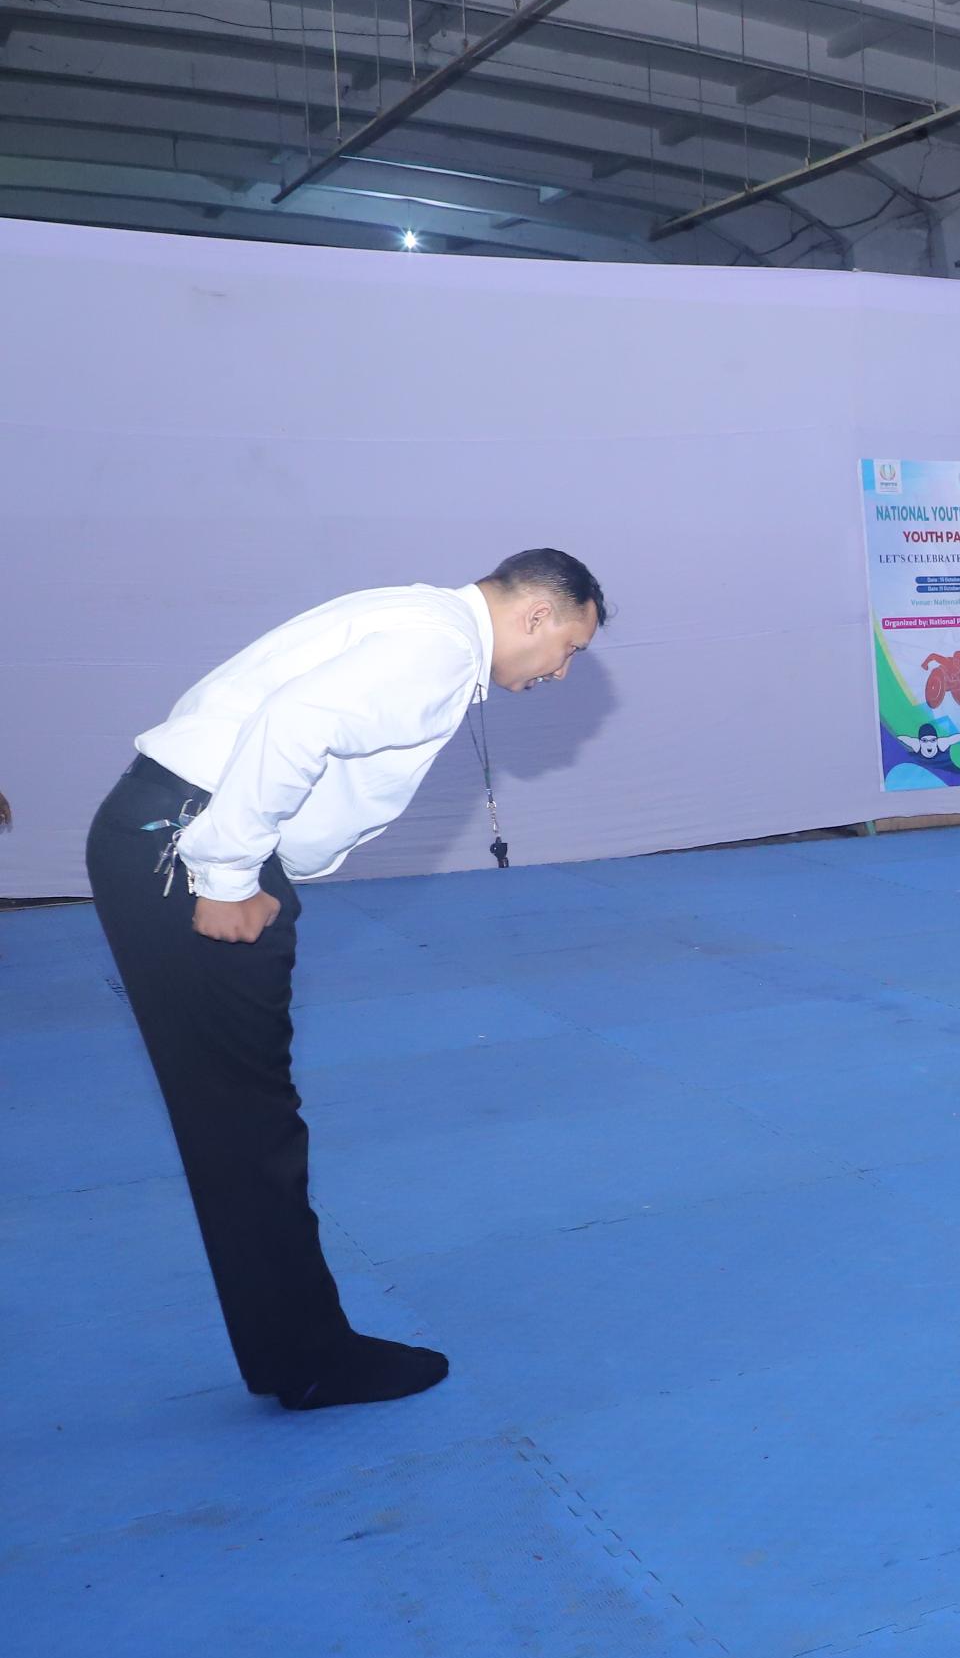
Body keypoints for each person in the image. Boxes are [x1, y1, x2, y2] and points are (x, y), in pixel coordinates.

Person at [85, 550, 607, 1411]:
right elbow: (294, 723)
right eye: (569, 649)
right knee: (249, 1124)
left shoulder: (413, 615)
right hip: (193, 846)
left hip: (173, 829)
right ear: (536, 615)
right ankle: (310, 1360)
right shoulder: (439, 647)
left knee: (237, 1122)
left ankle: (293, 1354)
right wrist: (225, 873)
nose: (562, 671)